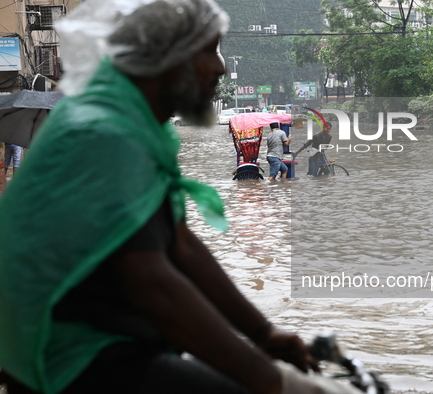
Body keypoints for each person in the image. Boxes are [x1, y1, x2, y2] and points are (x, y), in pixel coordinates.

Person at [0, 0, 362, 394]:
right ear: (163, 60)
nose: (221, 66)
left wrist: (265, 333)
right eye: (207, 50)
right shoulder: (105, 132)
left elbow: (183, 246)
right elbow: (153, 283)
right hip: (66, 354)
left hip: (97, 330)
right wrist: (272, 379)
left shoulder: (138, 128)